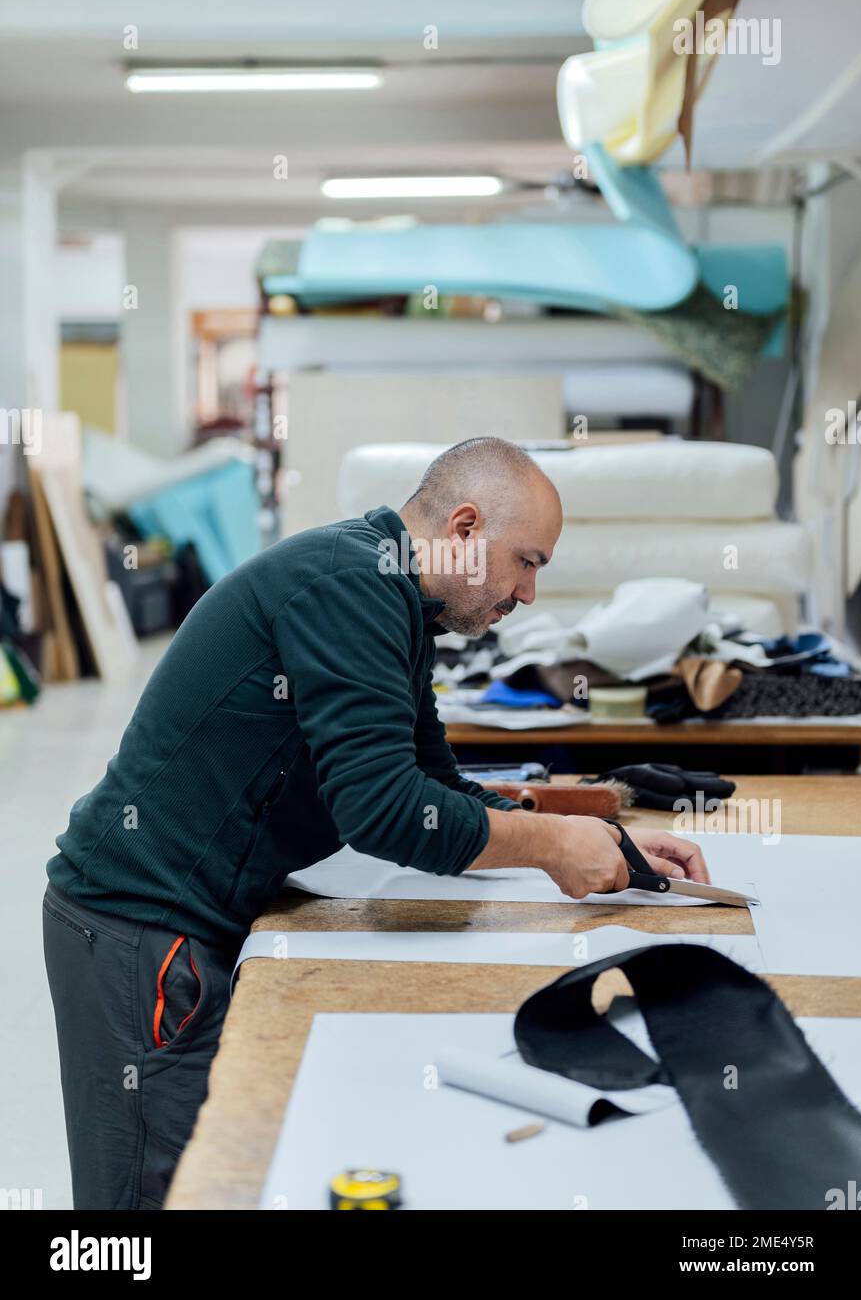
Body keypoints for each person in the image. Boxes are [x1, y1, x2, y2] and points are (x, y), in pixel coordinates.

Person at [43, 435, 707, 1208]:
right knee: (152, 1209)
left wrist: (608, 844)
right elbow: (388, 812)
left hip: (182, 922)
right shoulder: (349, 586)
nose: (528, 594)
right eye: (527, 562)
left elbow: (433, 786)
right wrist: (553, 844)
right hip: (137, 927)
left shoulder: (395, 599)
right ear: (464, 530)